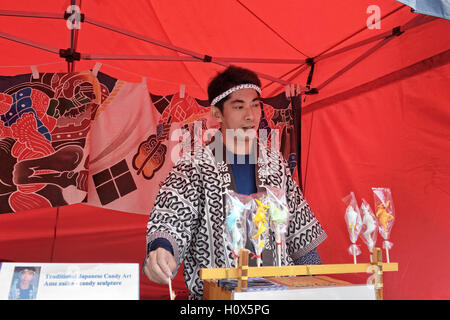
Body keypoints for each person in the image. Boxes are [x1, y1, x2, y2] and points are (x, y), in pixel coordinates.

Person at [144, 66, 327, 299]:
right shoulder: (194, 165)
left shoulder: (274, 163)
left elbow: (301, 234)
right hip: (218, 296)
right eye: (239, 106)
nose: (251, 115)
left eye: (255, 104)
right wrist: (162, 249)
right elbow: (171, 218)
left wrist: (318, 285)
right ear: (217, 114)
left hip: (279, 293)